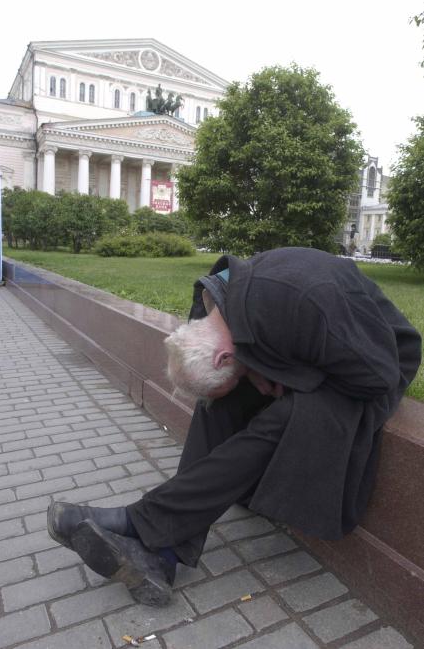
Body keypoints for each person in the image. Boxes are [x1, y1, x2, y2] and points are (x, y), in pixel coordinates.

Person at [47, 247, 422, 607]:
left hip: (375, 364)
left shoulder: (310, 302)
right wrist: (259, 370)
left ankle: (139, 522)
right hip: (329, 354)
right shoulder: (217, 303)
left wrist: (282, 378)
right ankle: (165, 551)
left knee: (288, 413)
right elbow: (255, 359)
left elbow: (378, 375)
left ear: (225, 354)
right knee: (219, 404)